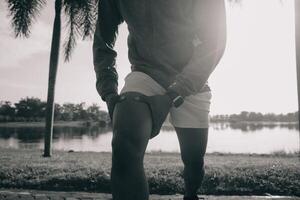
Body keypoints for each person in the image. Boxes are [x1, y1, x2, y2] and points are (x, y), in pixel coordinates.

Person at [93, 0, 227, 200]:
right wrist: (109, 91)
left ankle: (191, 195)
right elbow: (103, 39)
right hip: (145, 73)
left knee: (193, 161)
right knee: (124, 144)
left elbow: (214, 42)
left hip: (192, 76)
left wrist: (175, 93)